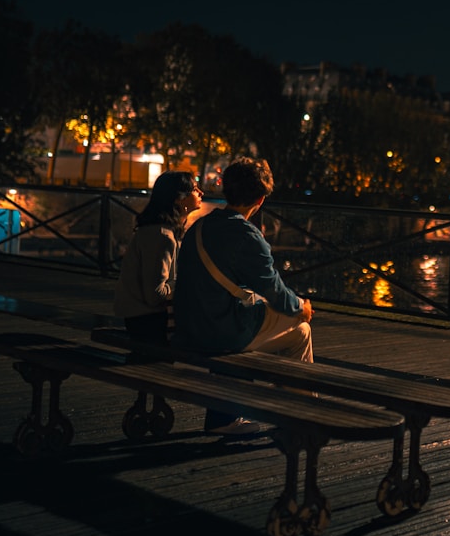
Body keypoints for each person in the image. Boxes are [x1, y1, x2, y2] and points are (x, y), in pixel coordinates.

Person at [174, 156, 314, 435]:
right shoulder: (247, 236)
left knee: (287, 328)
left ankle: (235, 412)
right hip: (219, 332)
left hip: (188, 328)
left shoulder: (198, 227)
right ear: (260, 200)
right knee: (302, 330)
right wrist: (301, 307)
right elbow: (275, 291)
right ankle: (300, 411)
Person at [113, 171, 203, 343]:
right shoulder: (162, 236)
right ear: (178, 198)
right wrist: (188, 282)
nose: (201, 193)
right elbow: (155, 295)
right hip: (148, 321)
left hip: (143, 317)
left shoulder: (163, 232)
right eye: (194, 189)